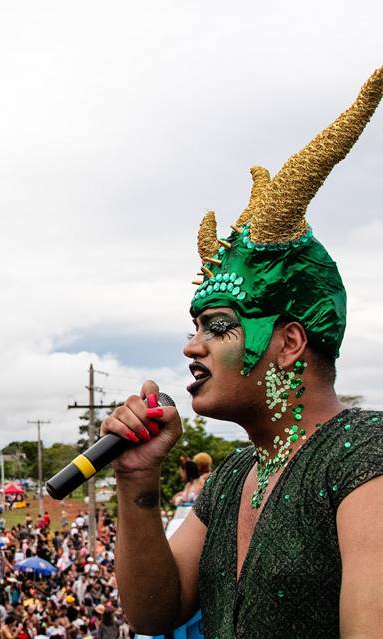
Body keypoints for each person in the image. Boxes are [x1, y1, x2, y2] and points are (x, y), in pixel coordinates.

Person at [105, 66, 383, 637]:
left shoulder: (365, 459)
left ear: (287, 344)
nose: (191, 345)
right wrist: (137, 481)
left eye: (219, 327)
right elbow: (154, 612)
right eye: (195, 327)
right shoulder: (234, 477)